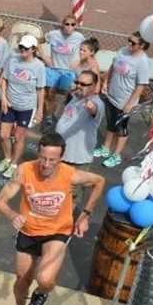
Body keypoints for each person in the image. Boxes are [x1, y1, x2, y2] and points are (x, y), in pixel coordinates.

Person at [0, 132, 105, 305]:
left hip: (57, 232)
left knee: (45, 279)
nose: (46, 164)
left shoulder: (70, 174)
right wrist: (12, 216)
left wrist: (85, 214)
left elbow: (99, 182)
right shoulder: (24, 170)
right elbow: (0, 201)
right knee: (22, 281)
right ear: (38, 153)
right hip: (28, 232)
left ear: (61, 159)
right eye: (43, 158)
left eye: (52, 160)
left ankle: (41, 295)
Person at [93, 32, 150, 168]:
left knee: (121, 128)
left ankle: (116, 155)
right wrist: (106, 81)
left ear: (142, 46)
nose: (129, 44)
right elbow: (114, 65)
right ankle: (106, 148)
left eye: (133, 43)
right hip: (112, 96)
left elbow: (141, 85)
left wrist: (130, 104)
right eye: (129, 40)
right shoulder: (123, 51)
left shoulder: (143, 62)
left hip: (125, 101)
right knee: (110, 122)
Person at [0, 35, 46, 179]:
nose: (22, 50)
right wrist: (4, 97)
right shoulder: (13, 60)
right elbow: (4, 79)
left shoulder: (39, 66)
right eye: (21, 47)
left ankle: (14, 164)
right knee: (3, 135)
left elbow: (40, 89)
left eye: (26, 48)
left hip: (26, 107)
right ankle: (7, 158)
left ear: (34, 49)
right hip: (10, 104)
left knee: (18, 137)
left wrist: (40, 110)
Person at [55, 70, 104, 206]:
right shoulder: (75, 97)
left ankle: (67, 223)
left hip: (77, 159)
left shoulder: (96, 102)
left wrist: (90, 105)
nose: (79, 86)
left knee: (72, 195)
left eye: (84, 84)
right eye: (77, 82)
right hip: (62, 154)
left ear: (94, 86)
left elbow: (94, 109)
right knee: (58, 190)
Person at [38, 15, 85, 128]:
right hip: (53, 69)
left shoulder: (79, 37)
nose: (69, 27)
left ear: (76, 26)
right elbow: (37, 41)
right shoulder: (54, 34)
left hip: (68, 71)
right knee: (49, 94)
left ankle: (61, 116)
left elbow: (87, 50)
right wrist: (44, 57)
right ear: (62, 25)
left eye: (73, 24)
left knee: (65, 96)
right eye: (67, 24)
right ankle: (49, 117)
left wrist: (79, 60)